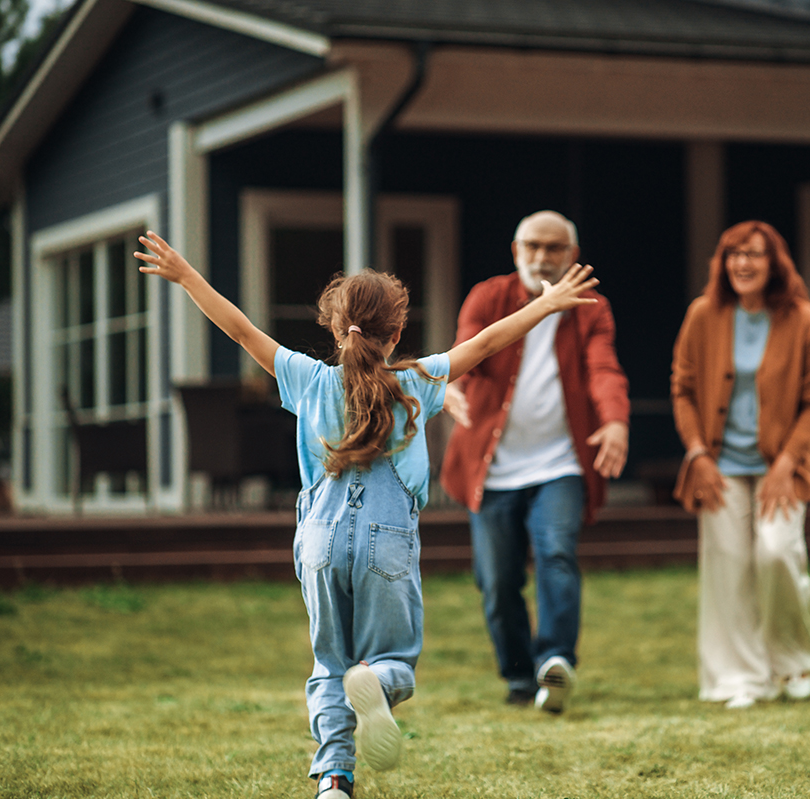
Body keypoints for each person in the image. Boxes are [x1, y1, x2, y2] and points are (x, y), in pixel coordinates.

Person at [135, 230, 600, 798]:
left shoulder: (307, 379)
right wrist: (545, 304)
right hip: (388, 540)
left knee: (329, 665)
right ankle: (378, 683)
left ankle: (334, 780)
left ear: (334, 329)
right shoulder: (416, 382)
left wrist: (185, 276)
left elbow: (239, 329)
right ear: (398, 332)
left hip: (320, 539)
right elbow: (485, 344)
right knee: (392, 660)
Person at [440, 210, 630, 714]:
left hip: (560, 464)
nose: (542, 257)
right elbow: (468, 348)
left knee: (557, 553)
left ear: (572, 255)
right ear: (516, 250)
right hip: (491, 467)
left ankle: (556, 661)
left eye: (554, 248)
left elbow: (603, 369)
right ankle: (521, 678)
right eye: (533, 246)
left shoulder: (592, 308)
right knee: (497, 581)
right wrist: (452, 388)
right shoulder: (488, 296)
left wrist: (614, 420)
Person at [670, 220, 810, 710]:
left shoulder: (802, 318)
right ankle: (741, 679)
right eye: (734, 253)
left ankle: (793, 662)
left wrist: (786, 463)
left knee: (776, 554)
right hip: (719, 466)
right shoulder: (703, 314)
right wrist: (697, 453)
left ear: (773, 262)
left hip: (780, 467)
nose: (743, 262)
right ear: (722, 263)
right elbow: (683, 389)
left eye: (754, 254)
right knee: (731, 568)